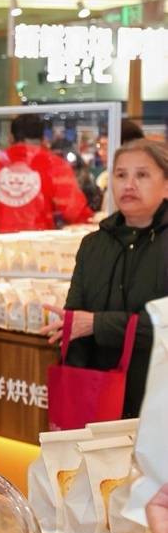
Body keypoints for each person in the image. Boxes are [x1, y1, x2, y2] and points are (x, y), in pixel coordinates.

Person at [43, 139, 168, 418]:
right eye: (121, 175)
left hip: (158, 402)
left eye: (142, 175)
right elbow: (75, 321)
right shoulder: (93, 245)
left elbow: (164, 326)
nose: (129, 184)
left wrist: (98, 324)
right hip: (97, 399)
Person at [0, 113, 93, 233]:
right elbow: (75, 212)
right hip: (37, 246)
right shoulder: (55, 165)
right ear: (43, 139)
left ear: (10, 138)